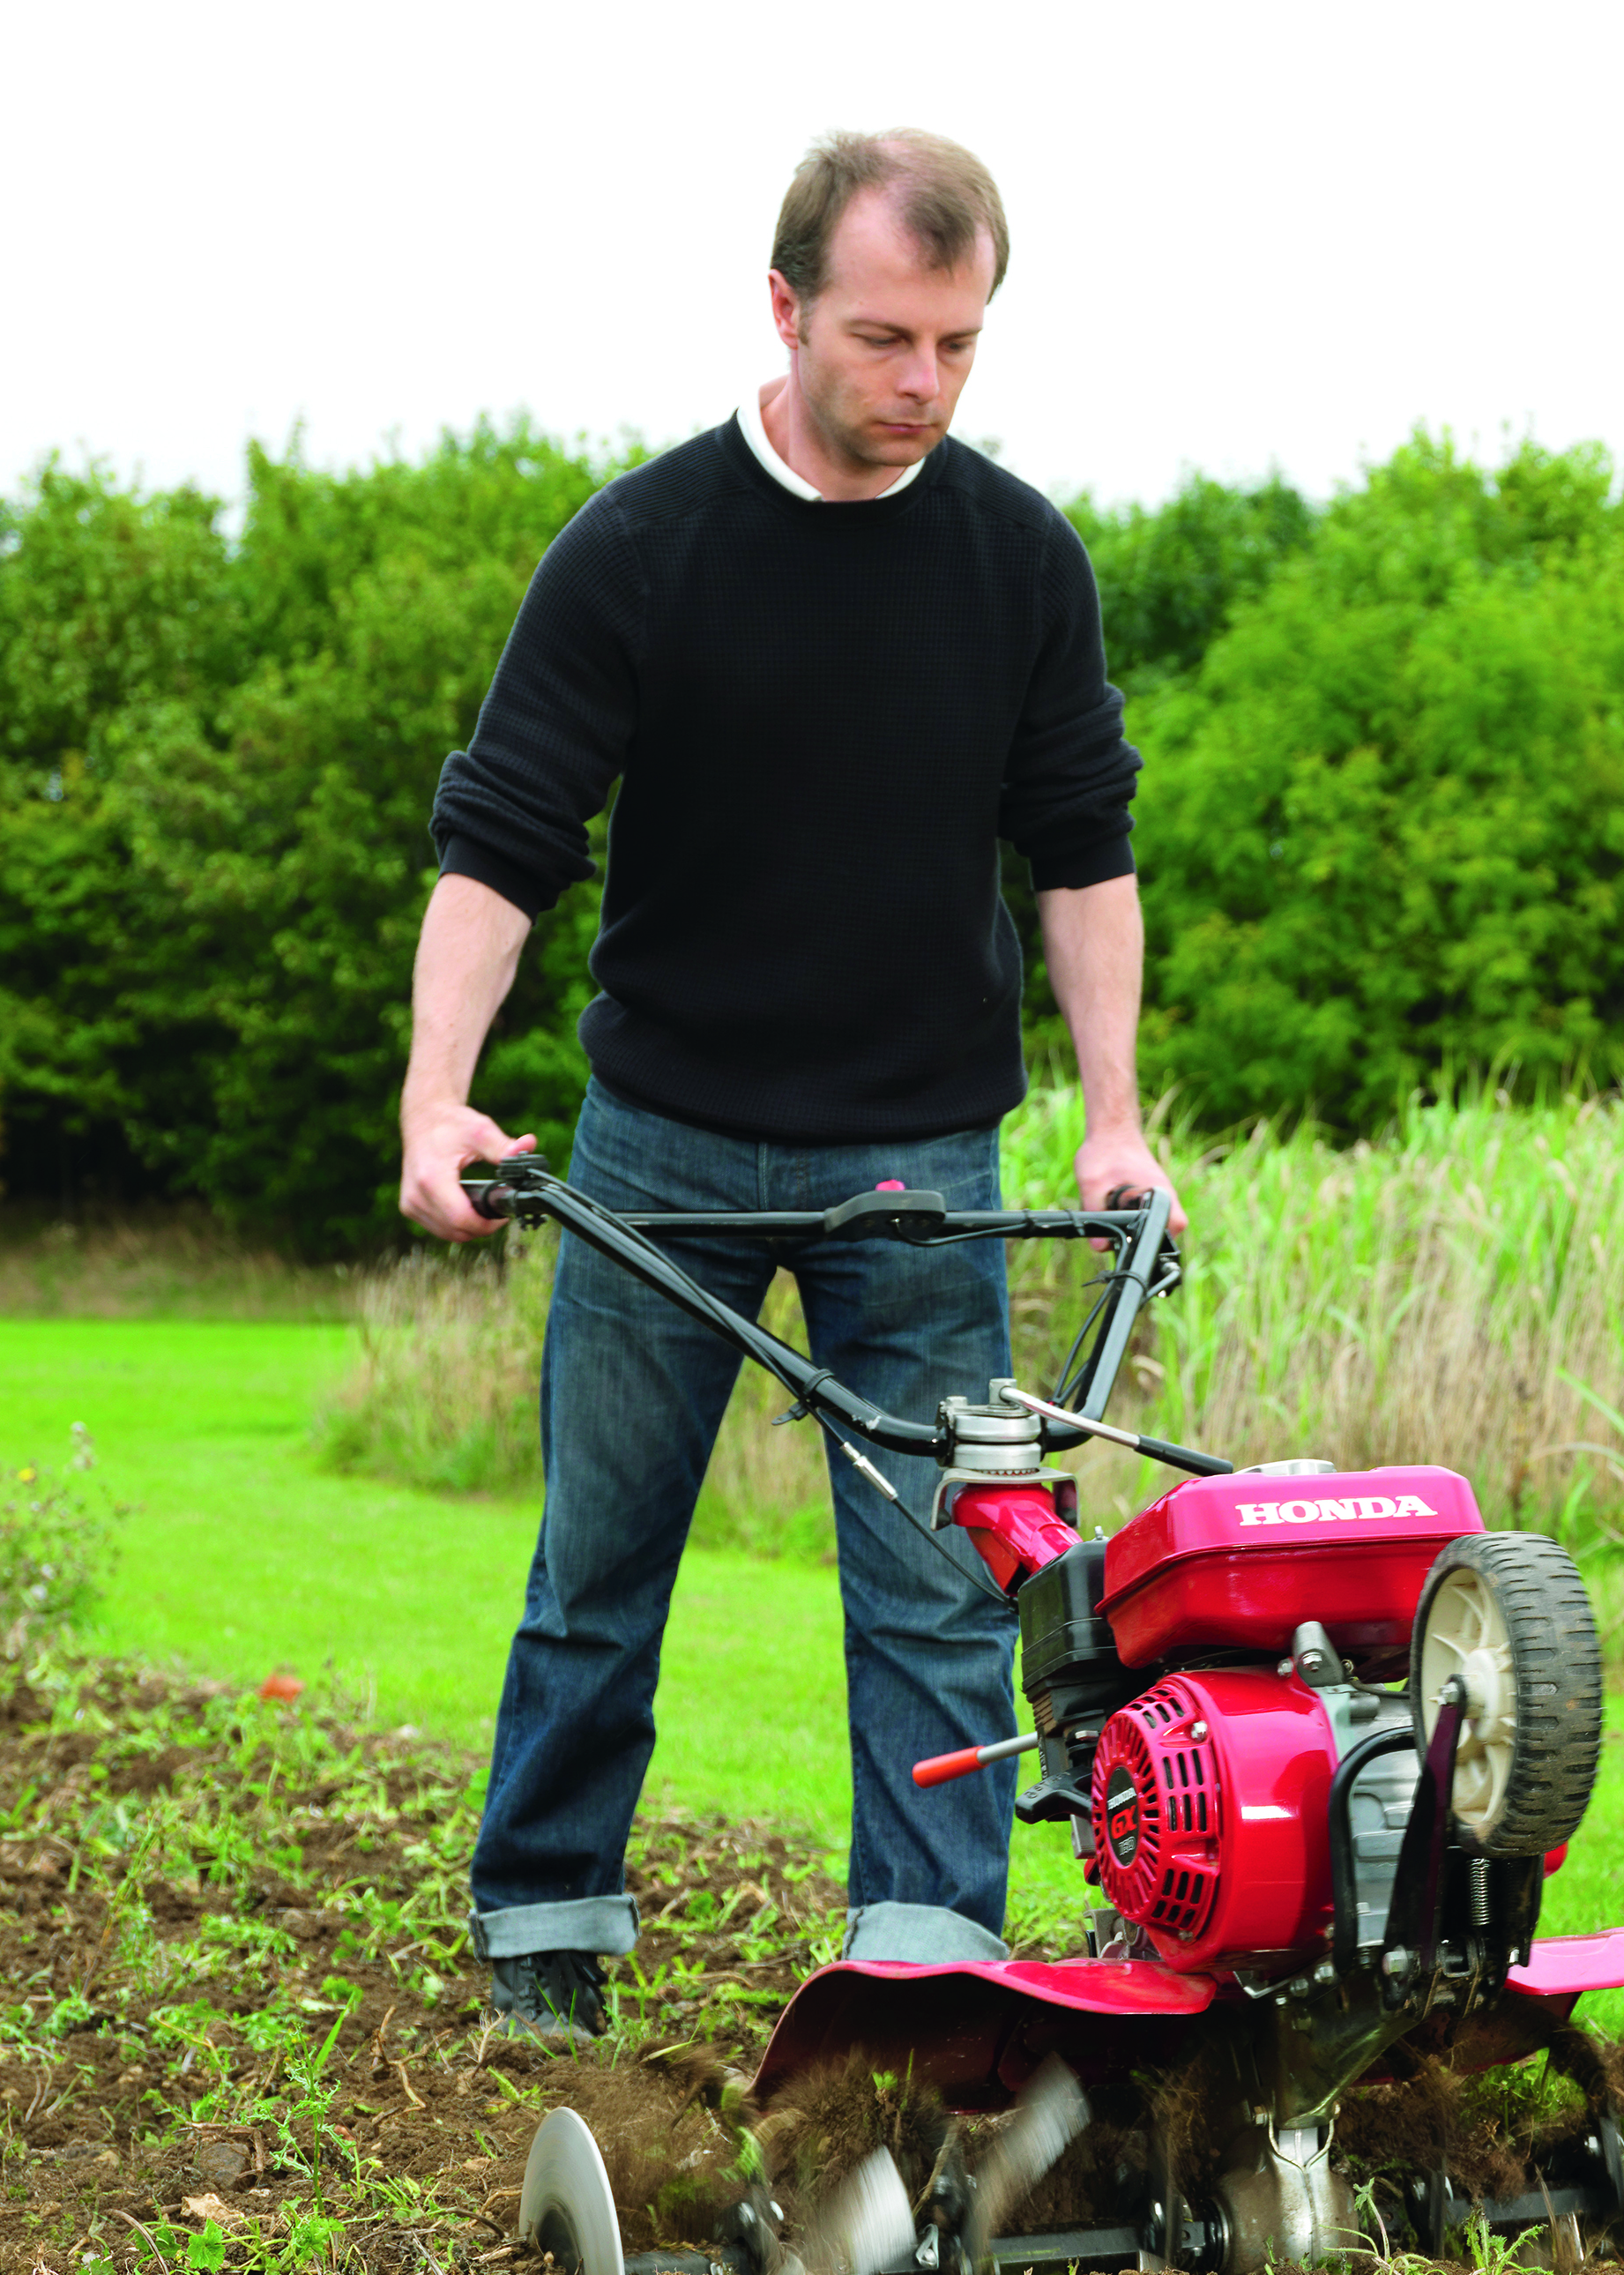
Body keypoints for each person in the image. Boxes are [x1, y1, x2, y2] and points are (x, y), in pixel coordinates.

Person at [395, 128, 1178, 2044]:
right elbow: (503, 844)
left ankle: (920, 1970)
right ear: (785, 307)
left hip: (921, 1156)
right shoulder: (646, 548)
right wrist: (437, 1098)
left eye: (959, 345)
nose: (920, 382)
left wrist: (1112, 1114)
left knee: (936, 1573)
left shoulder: (1015, 560)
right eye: (885, 336)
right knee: (603, 1554)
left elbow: (1080, 852)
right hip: (664, 1144)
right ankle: (547, 1921)